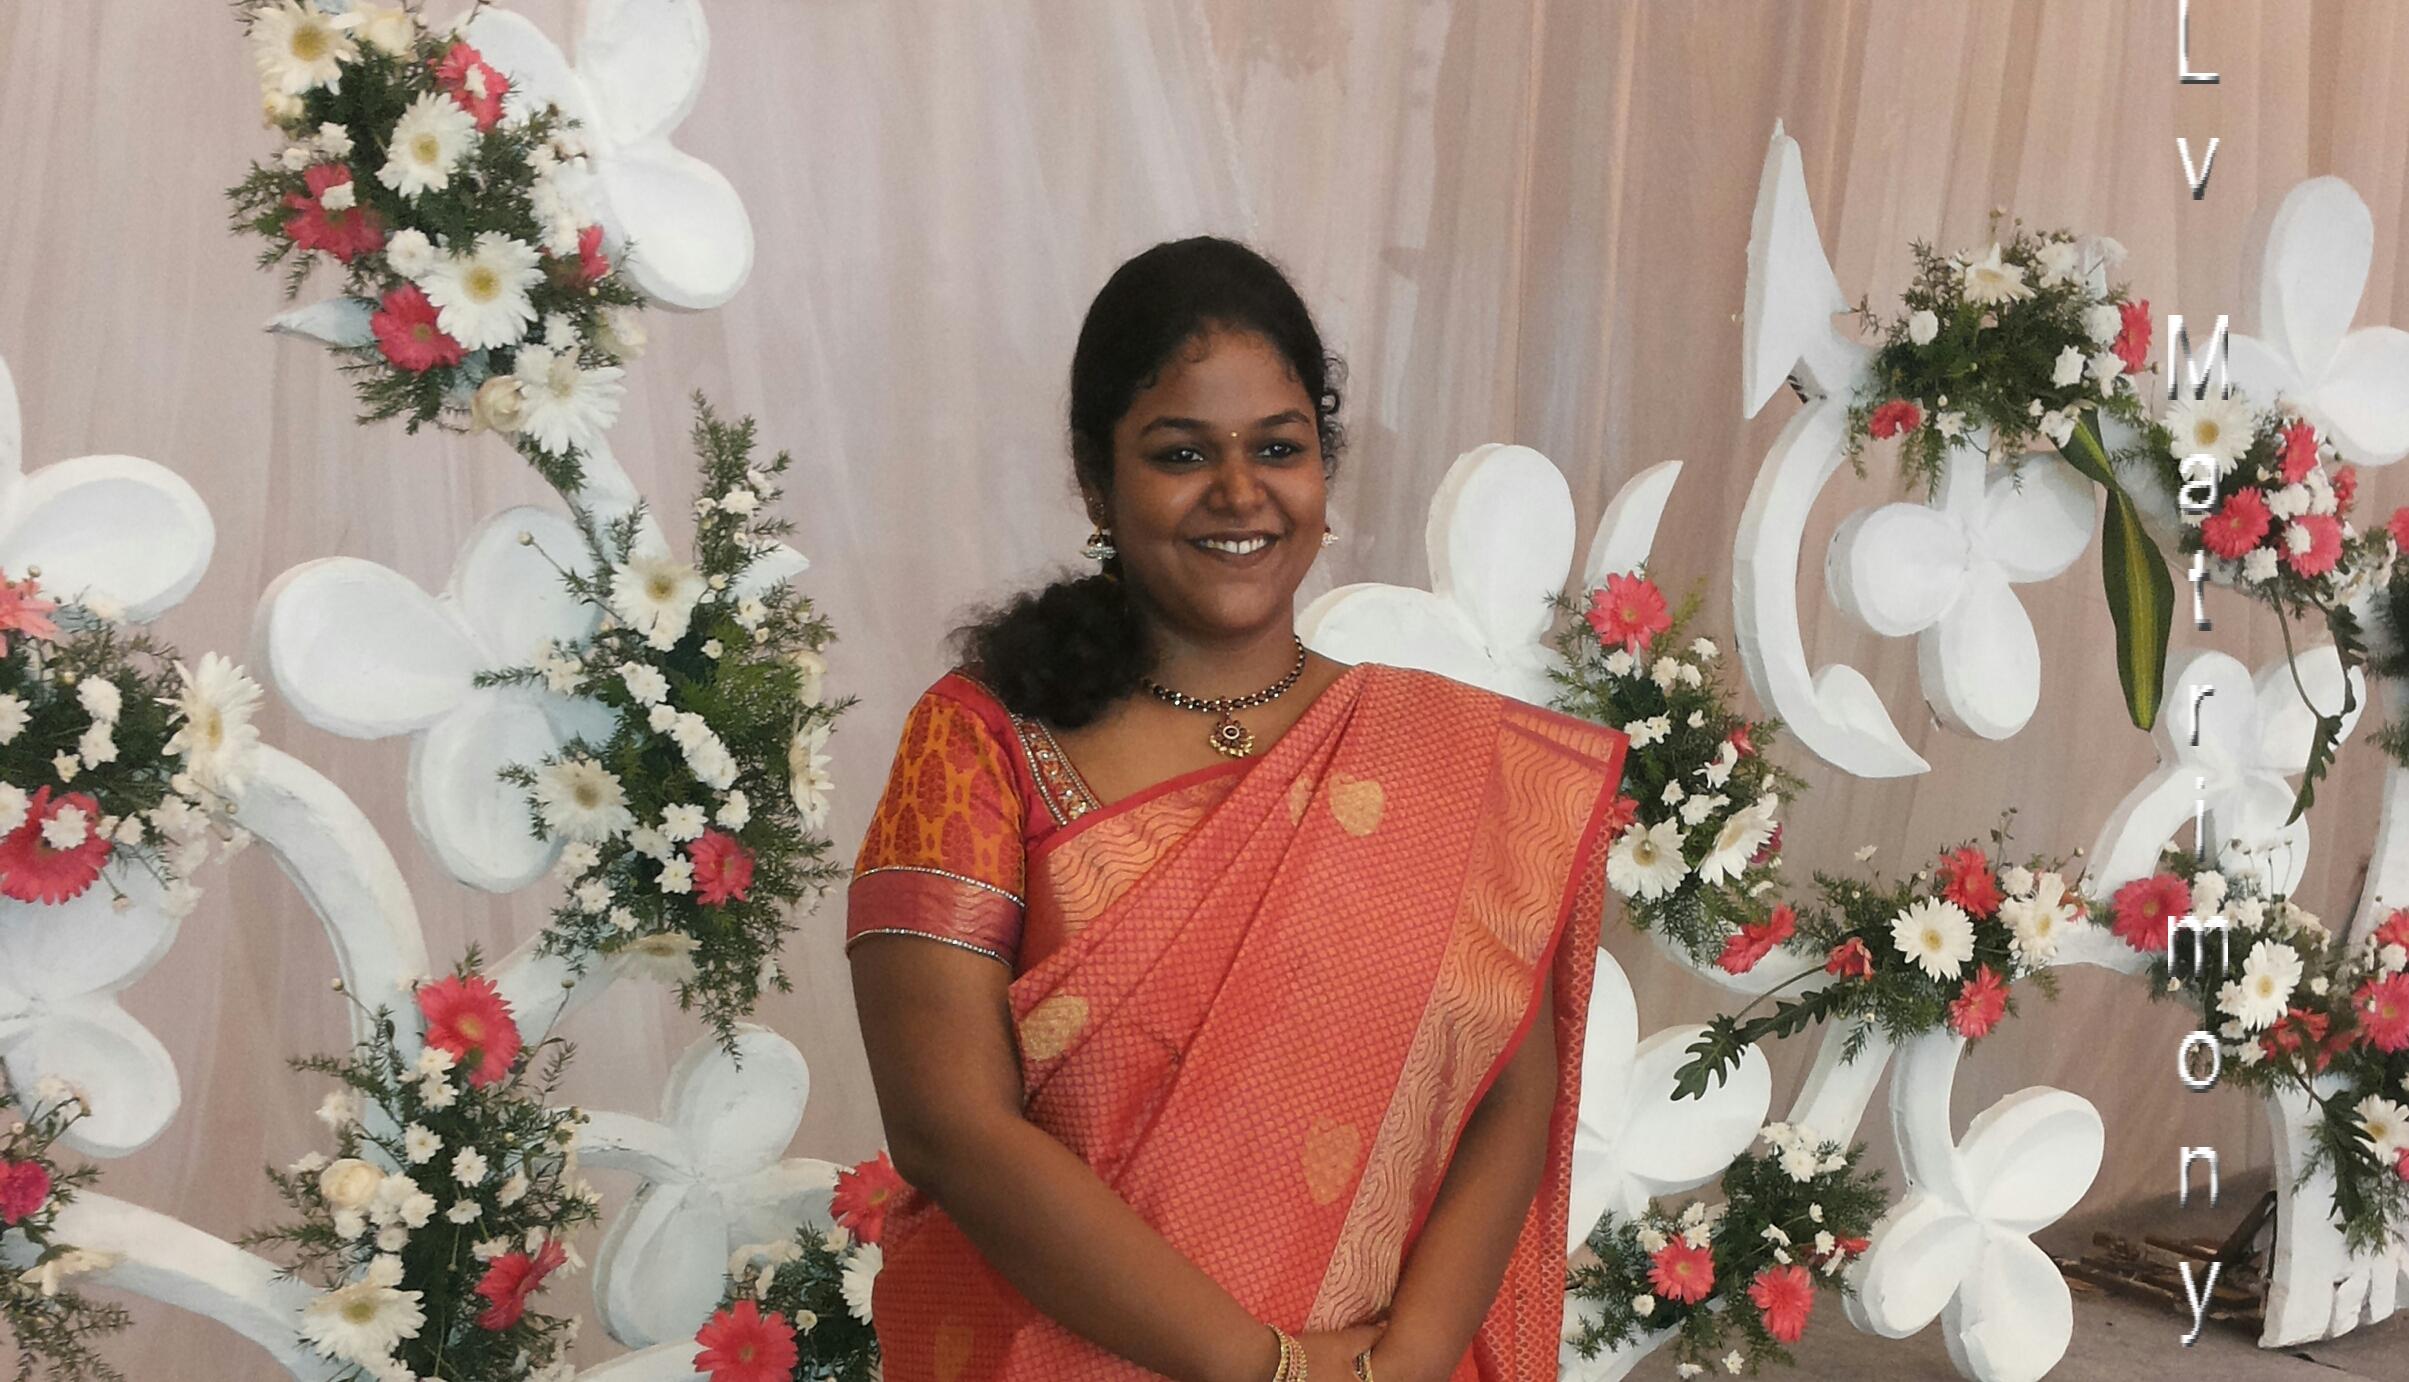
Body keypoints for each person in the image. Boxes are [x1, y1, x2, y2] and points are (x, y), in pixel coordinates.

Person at [845, 236, 1627, 1382]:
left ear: (1323, 470)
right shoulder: (981, 743)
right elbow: (948, 1124)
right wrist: (1267, 1368)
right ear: (1096, 482)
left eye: (1278, 446)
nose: (1239, 491)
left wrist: (1403, 1361)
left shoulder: (1447, 759)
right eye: (1181, 453)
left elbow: (1513, 1090)